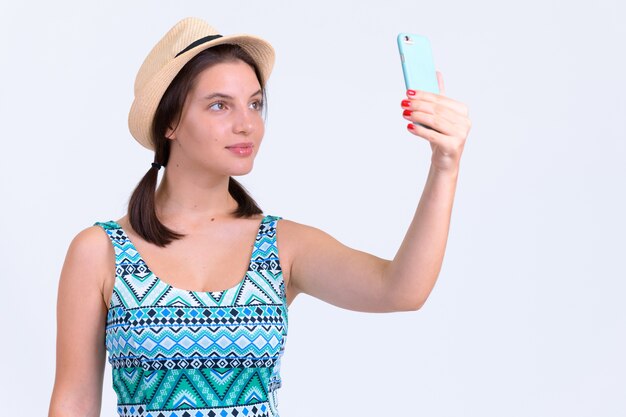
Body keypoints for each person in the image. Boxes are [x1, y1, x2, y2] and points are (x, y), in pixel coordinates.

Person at [48, 17, 471, 417]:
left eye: (254, 104)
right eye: (219, 106)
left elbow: (401, 290)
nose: (246, 124)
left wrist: (445, 166)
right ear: (170, 122)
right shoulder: (99, 251)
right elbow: (74, 403)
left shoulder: (283, 246)